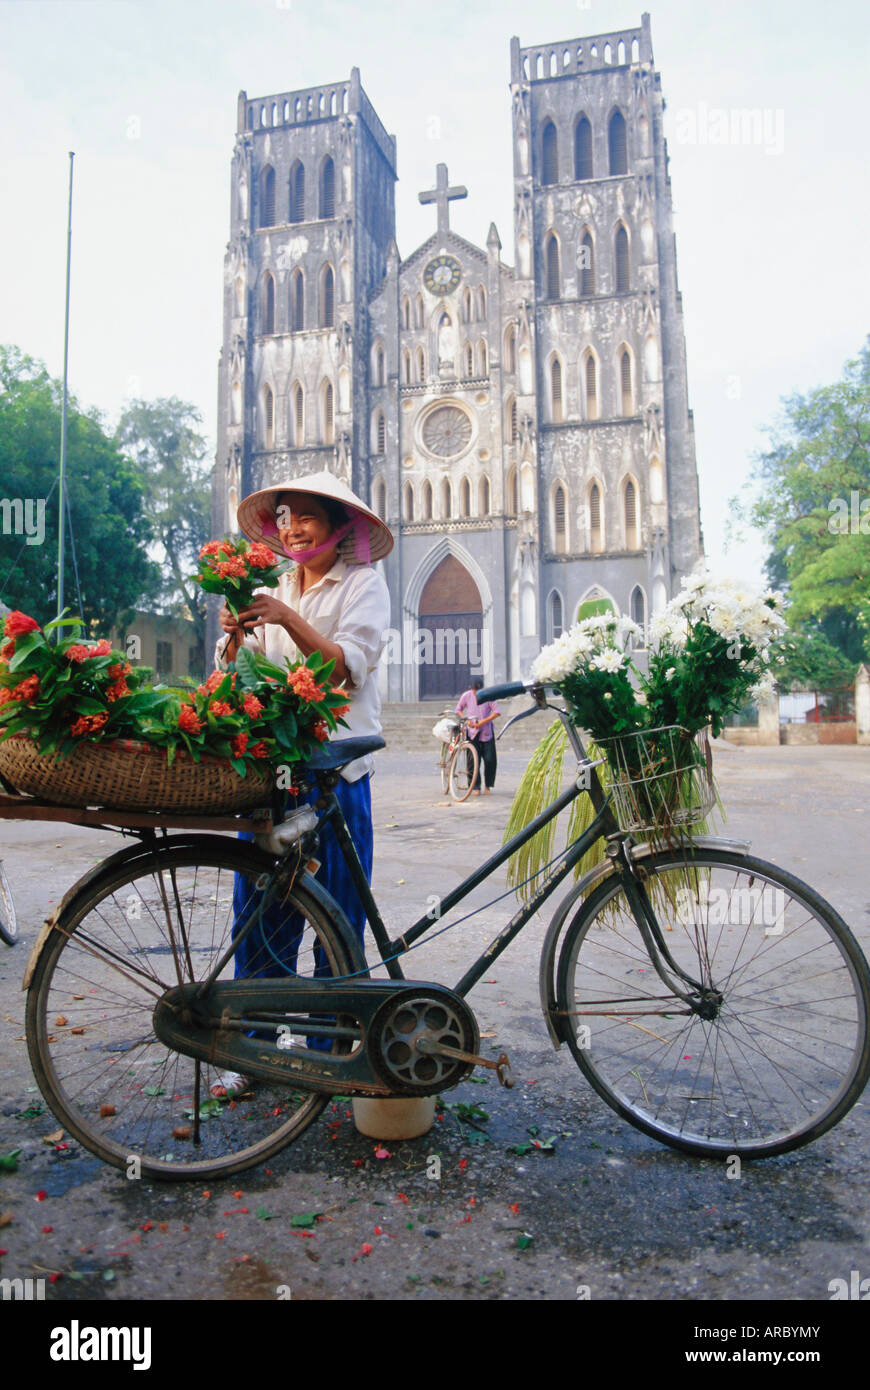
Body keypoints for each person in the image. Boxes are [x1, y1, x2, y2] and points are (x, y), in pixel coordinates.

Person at [211, 471, 392, 1097]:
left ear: (341, 528)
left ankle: (329, 1054)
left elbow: (344, 670)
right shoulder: (272, 588)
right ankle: (254, 1051)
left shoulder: (363, 585)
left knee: (337, 918)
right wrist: (236, 642)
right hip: (273, 774)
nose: (292, 528)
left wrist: (287, 618)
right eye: (285, 516)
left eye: (307, 516)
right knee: (260, 911)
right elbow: (239, 676)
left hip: (336, 773)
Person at [455, 677, 500, 795]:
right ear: (471, 688)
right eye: (475, 691)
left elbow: (496, 712)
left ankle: (488, 786)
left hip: (486, 731)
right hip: (471, 732)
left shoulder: (488, 696)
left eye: (479, 690)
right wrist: (467, 721)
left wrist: (484, 721)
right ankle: (475, 787)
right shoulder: (466, 696)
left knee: (490, 759)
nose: (477, 693)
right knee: (472, 760)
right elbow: (458, 710)